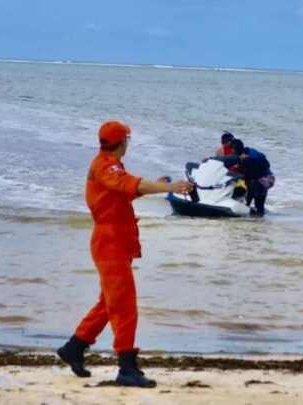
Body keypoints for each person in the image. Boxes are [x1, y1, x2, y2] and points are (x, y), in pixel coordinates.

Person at [57, 121, 194, 388]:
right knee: (124, 305)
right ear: (123, 142)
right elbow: (129, 184)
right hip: (109, 242)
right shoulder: (108, 166)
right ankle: (126, 367)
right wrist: (169, 187)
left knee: (109, 302)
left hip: (115, 240)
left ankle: (74, 347)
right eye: (128, 139)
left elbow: (124, 193)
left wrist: (157, 184)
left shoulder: (108, 164)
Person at [228, 138, 275, 216]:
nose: (231, 151)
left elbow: (265, 164)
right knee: (258, 204)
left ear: (237, 148)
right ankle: (257, 216)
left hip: (267, 178)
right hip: (255, 178)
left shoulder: (251, 155)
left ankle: (247, 206)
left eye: (232, 149)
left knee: (253, 188)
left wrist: (249, 157)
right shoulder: (239, 156)